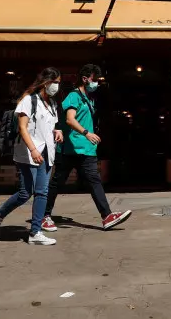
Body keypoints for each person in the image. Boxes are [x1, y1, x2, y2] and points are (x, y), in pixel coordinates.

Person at [42, 64, 131, 231]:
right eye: (94, 79)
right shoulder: (73, 96)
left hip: (86, 149)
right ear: (85, 79)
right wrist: (86, 133)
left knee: (94, 181)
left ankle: (107, 216)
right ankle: (43, 215)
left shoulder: (89, 98)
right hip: (69, 149)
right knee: (57, 183)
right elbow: (70, 119)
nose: (96, 83)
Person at [0, 67, 61, 246]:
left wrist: (57, 131)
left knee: (42, 192)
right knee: (25, 193)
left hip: (46, 152)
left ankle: (35, 232)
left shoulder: (52, 104)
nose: (57, 86)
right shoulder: (29, 100)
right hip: (28, 152)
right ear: (46, 82)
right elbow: (22, 127)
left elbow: (48, 126)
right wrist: (33, 150)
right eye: (55, 82)